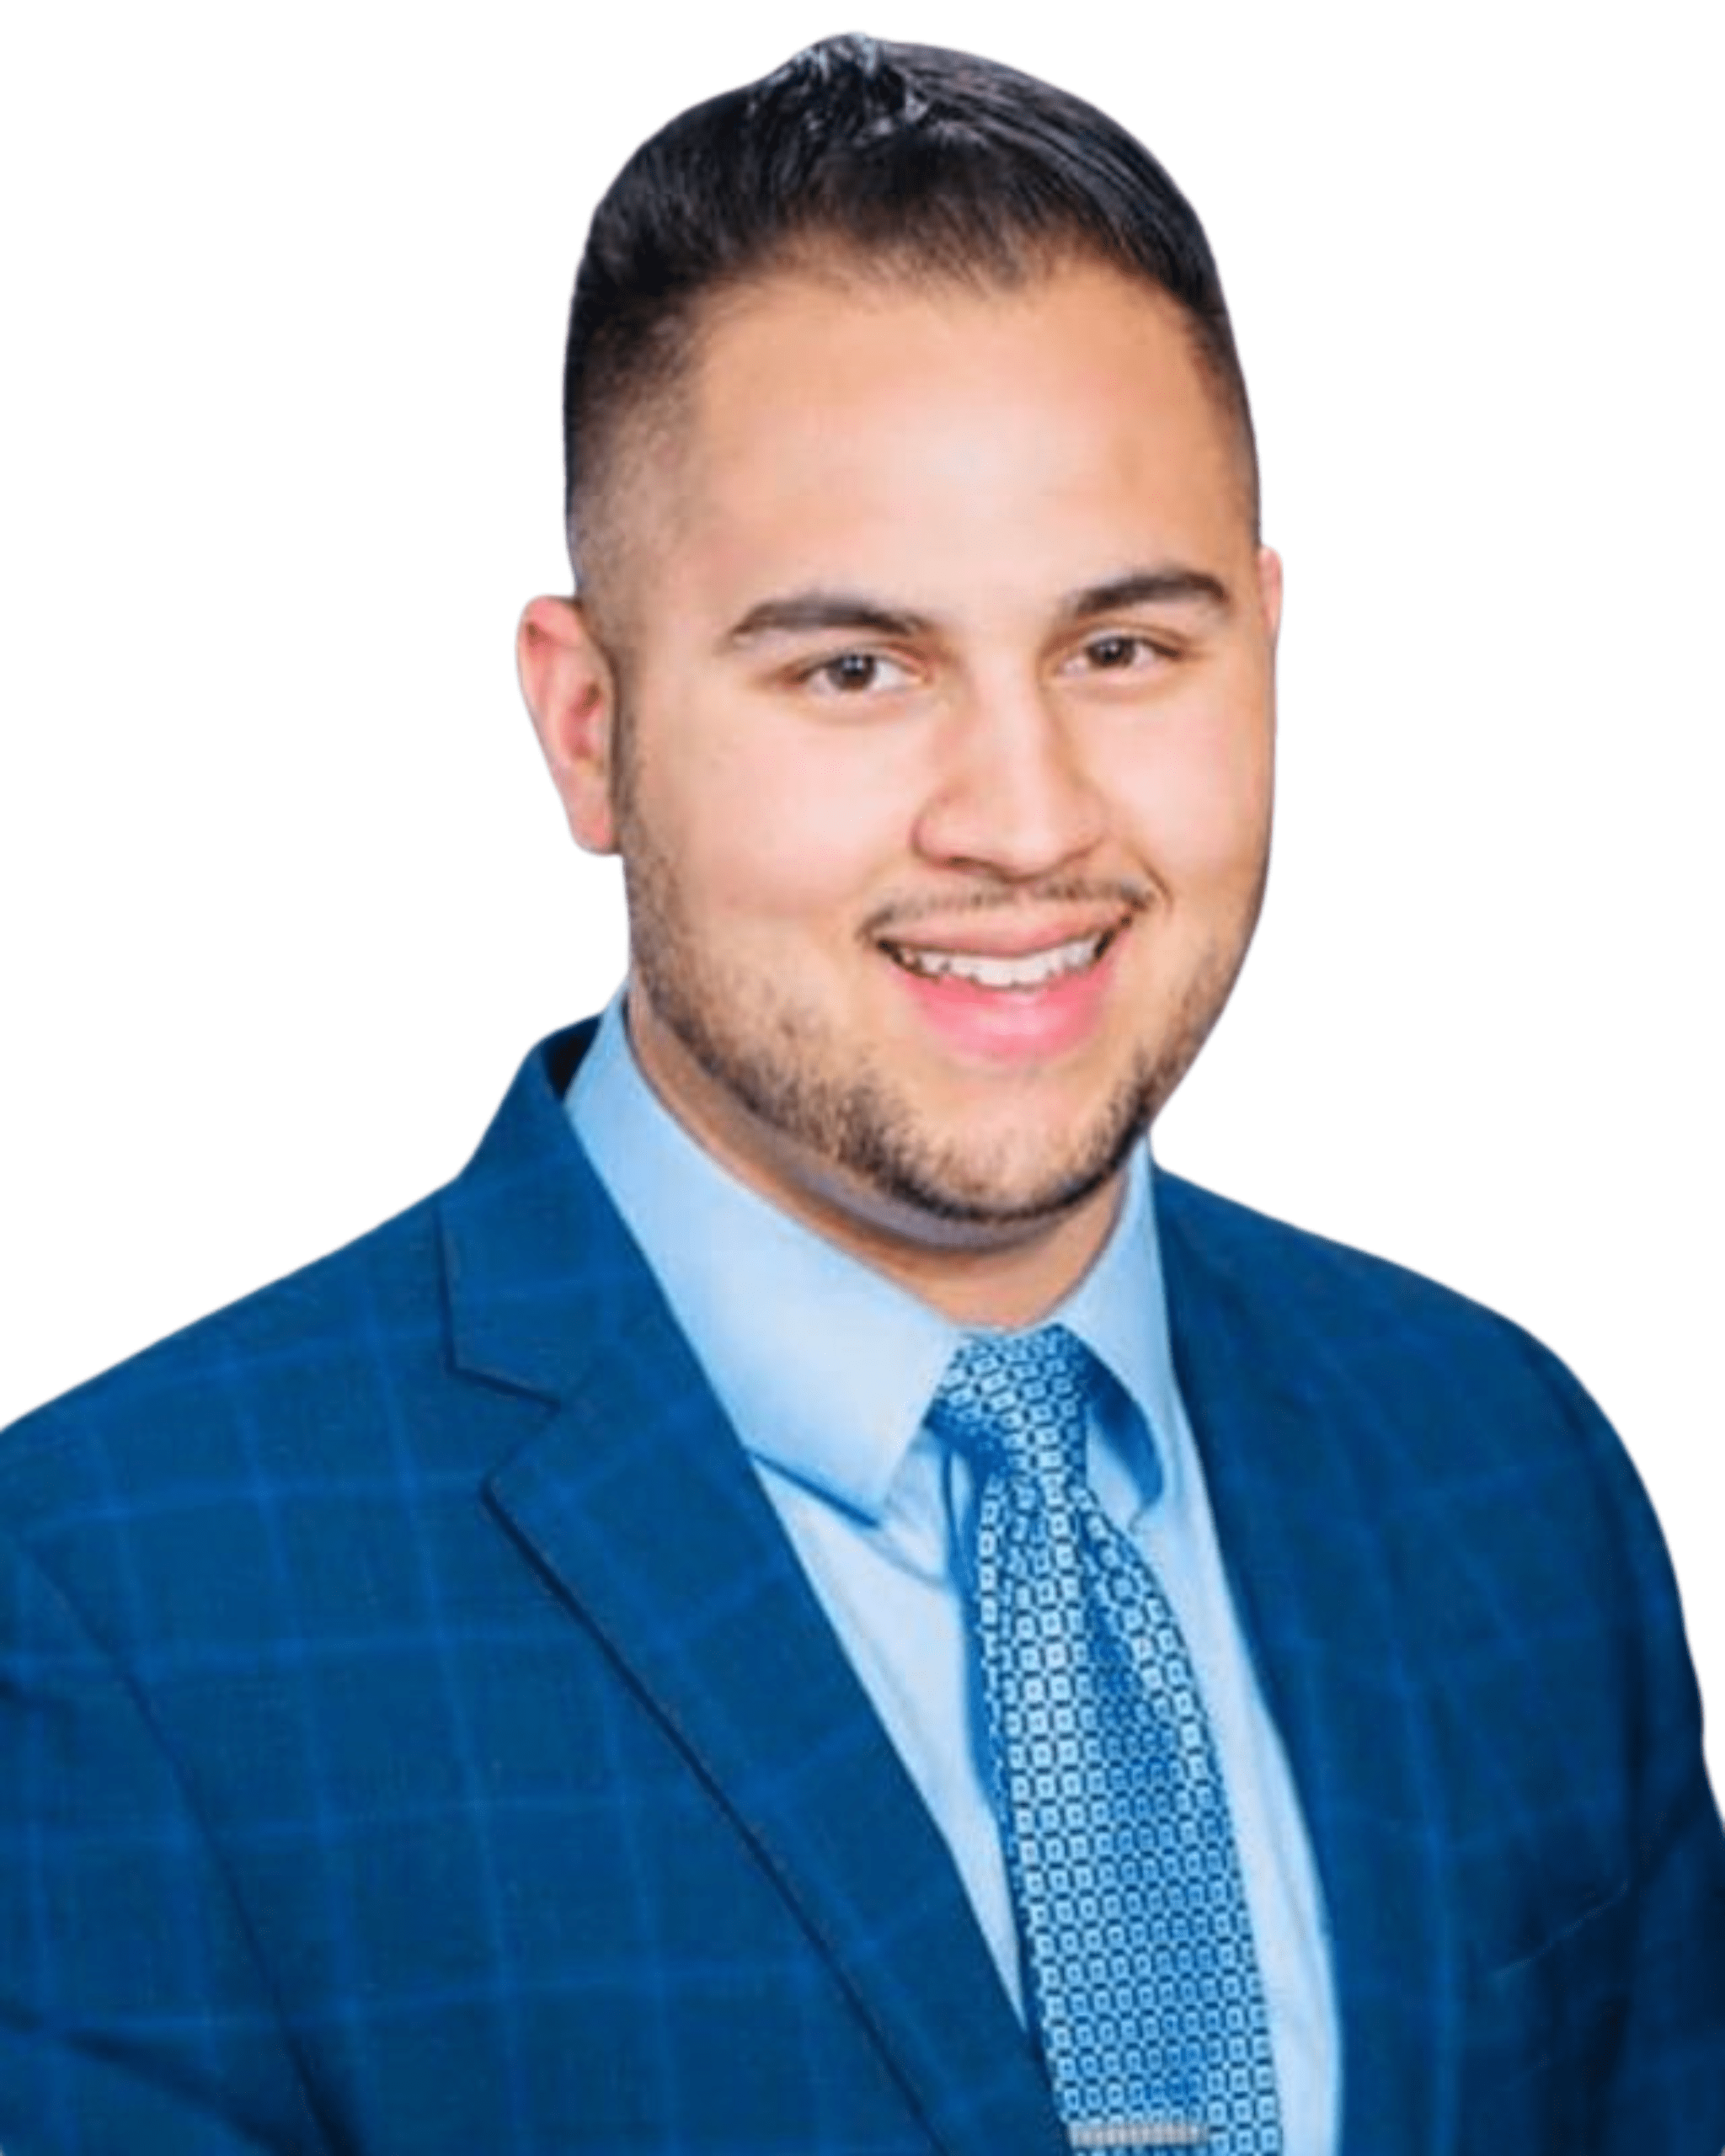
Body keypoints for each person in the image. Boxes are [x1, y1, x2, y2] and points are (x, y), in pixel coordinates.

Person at [2, 31, 1721, 2154]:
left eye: (1121, 649)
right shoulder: (115, 1615)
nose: (1023, 818)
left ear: (1265, 645)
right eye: (852, 668)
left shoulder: (1506, 1474)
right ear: (585, 724)